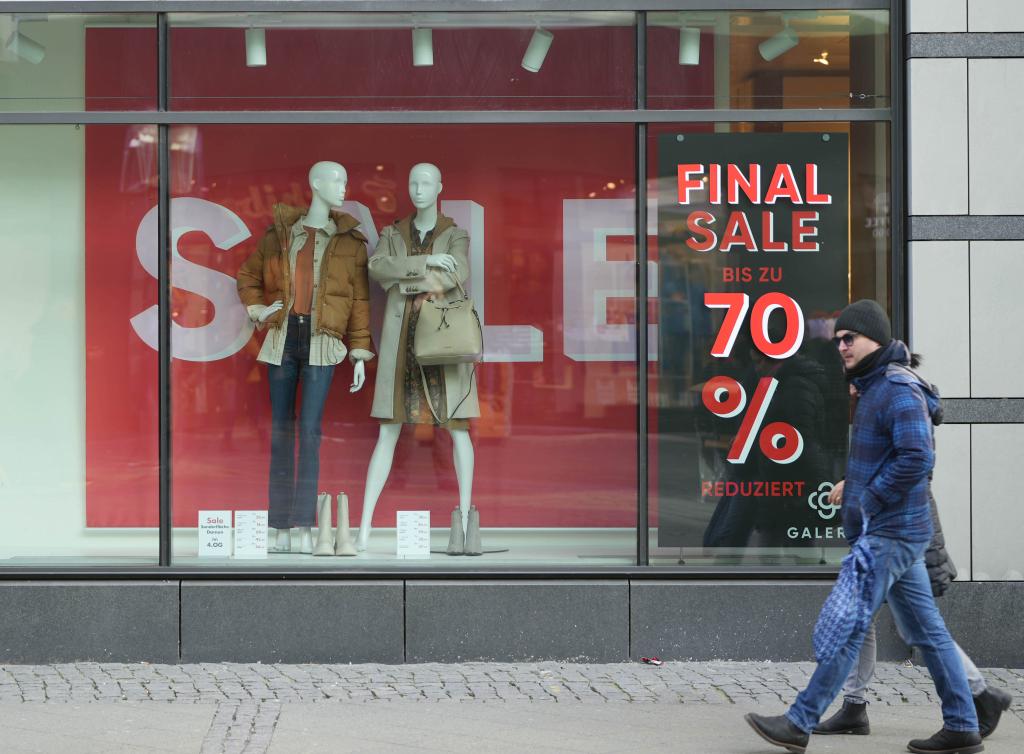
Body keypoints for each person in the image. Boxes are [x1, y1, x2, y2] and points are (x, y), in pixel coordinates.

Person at [744, 299, 984, 754]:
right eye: (837, 339)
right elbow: (890, 456)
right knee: (928, 634)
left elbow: (917, 457)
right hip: (896, 531)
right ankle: (962, 723)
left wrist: (869, 497)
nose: (842, 346)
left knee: (849, 624)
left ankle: (799, 720)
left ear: (875, 338)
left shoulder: (896, 388)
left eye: (850, 338)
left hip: (890, 531)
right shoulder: (874, 385)